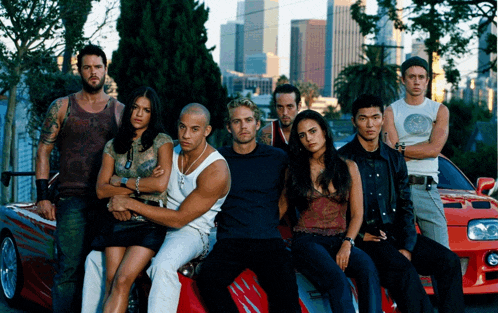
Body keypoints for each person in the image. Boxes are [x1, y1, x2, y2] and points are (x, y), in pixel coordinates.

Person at [81, 103, 230, 313]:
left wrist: (130, 203)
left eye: (195, 129)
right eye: (182, 127)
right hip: (151, 223)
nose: (186, 135)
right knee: (95, 259)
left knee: (162, 266)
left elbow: (180, 219)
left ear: (207, 131)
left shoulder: (215, 169)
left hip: (190, 231)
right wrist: (119, 199)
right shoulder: (168, 151)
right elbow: (141, 183)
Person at [339, 94, 464, 313]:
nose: (370, 124)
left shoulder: (394, 157)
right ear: (353, 121)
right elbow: (336, 209)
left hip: (396, 234)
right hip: (368, 238)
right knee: (404, 272)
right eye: (363, 118)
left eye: (375, 117)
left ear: (382, 120)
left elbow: (406, 205)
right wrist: (357, 236)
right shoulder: (342, 159)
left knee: (449, 261)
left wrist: (407, 245)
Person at [35, 44, 124, 313]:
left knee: (103, 268)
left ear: (105, 70)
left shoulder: (119, 111)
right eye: (87, 67)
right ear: (80, 70)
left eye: (98, 67)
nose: (93, 72)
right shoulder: (62, 106)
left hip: (106, 200)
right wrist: (42, 197)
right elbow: (43, 151)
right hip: (71, 198)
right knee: (68, 268)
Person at [196, 98, 301, 313]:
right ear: (228, 127)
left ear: (257, 123)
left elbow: (286, 196)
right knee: (207, 279)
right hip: (231, 241)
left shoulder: (277, 157)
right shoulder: (217, 159)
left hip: (268, 241)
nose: (243, 126)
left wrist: (269, 220)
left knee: (287, 292)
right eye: (237, 121)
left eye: (248, 120)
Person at [286, 109, 382, 313]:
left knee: (368, 268)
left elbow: (357, 214)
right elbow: (280, 207)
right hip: (307, 241)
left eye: (312, 131)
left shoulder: (348, 167)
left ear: (324, 131)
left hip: (340, 239)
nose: (308, 139)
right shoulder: (295, 169)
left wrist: (348, 243)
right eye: (302, 135)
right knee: (337, 279)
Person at [91, 86, 173, 313]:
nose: (139, 114)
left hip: (148, 222)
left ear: (152, 114)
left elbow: (159, 185)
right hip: (117, 217)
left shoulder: (162, 142)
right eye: (135, 108)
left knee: (123, 280)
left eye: (146, 110)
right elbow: (100, 190)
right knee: (110, 282)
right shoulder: (113, 146)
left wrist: (119, 181)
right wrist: (136, 187)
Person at [383, 56, 450, 248]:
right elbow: (391, 153)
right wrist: (423, 148)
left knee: (443, 253)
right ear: (403, 80)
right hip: (398, 188)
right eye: (411, 76)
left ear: (427, 80)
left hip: (427, 188)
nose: (417, 81)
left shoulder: (439, 110)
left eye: (421, 77)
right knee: (398, 252)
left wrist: (401, 148)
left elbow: (435, 149)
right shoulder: (391, 111)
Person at [258, 84, 302, 153]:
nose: (285, 112)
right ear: (275, 107)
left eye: (289, 106)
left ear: (299, 106)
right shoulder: (266, 133)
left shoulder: (308, 131)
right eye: (280, 107)